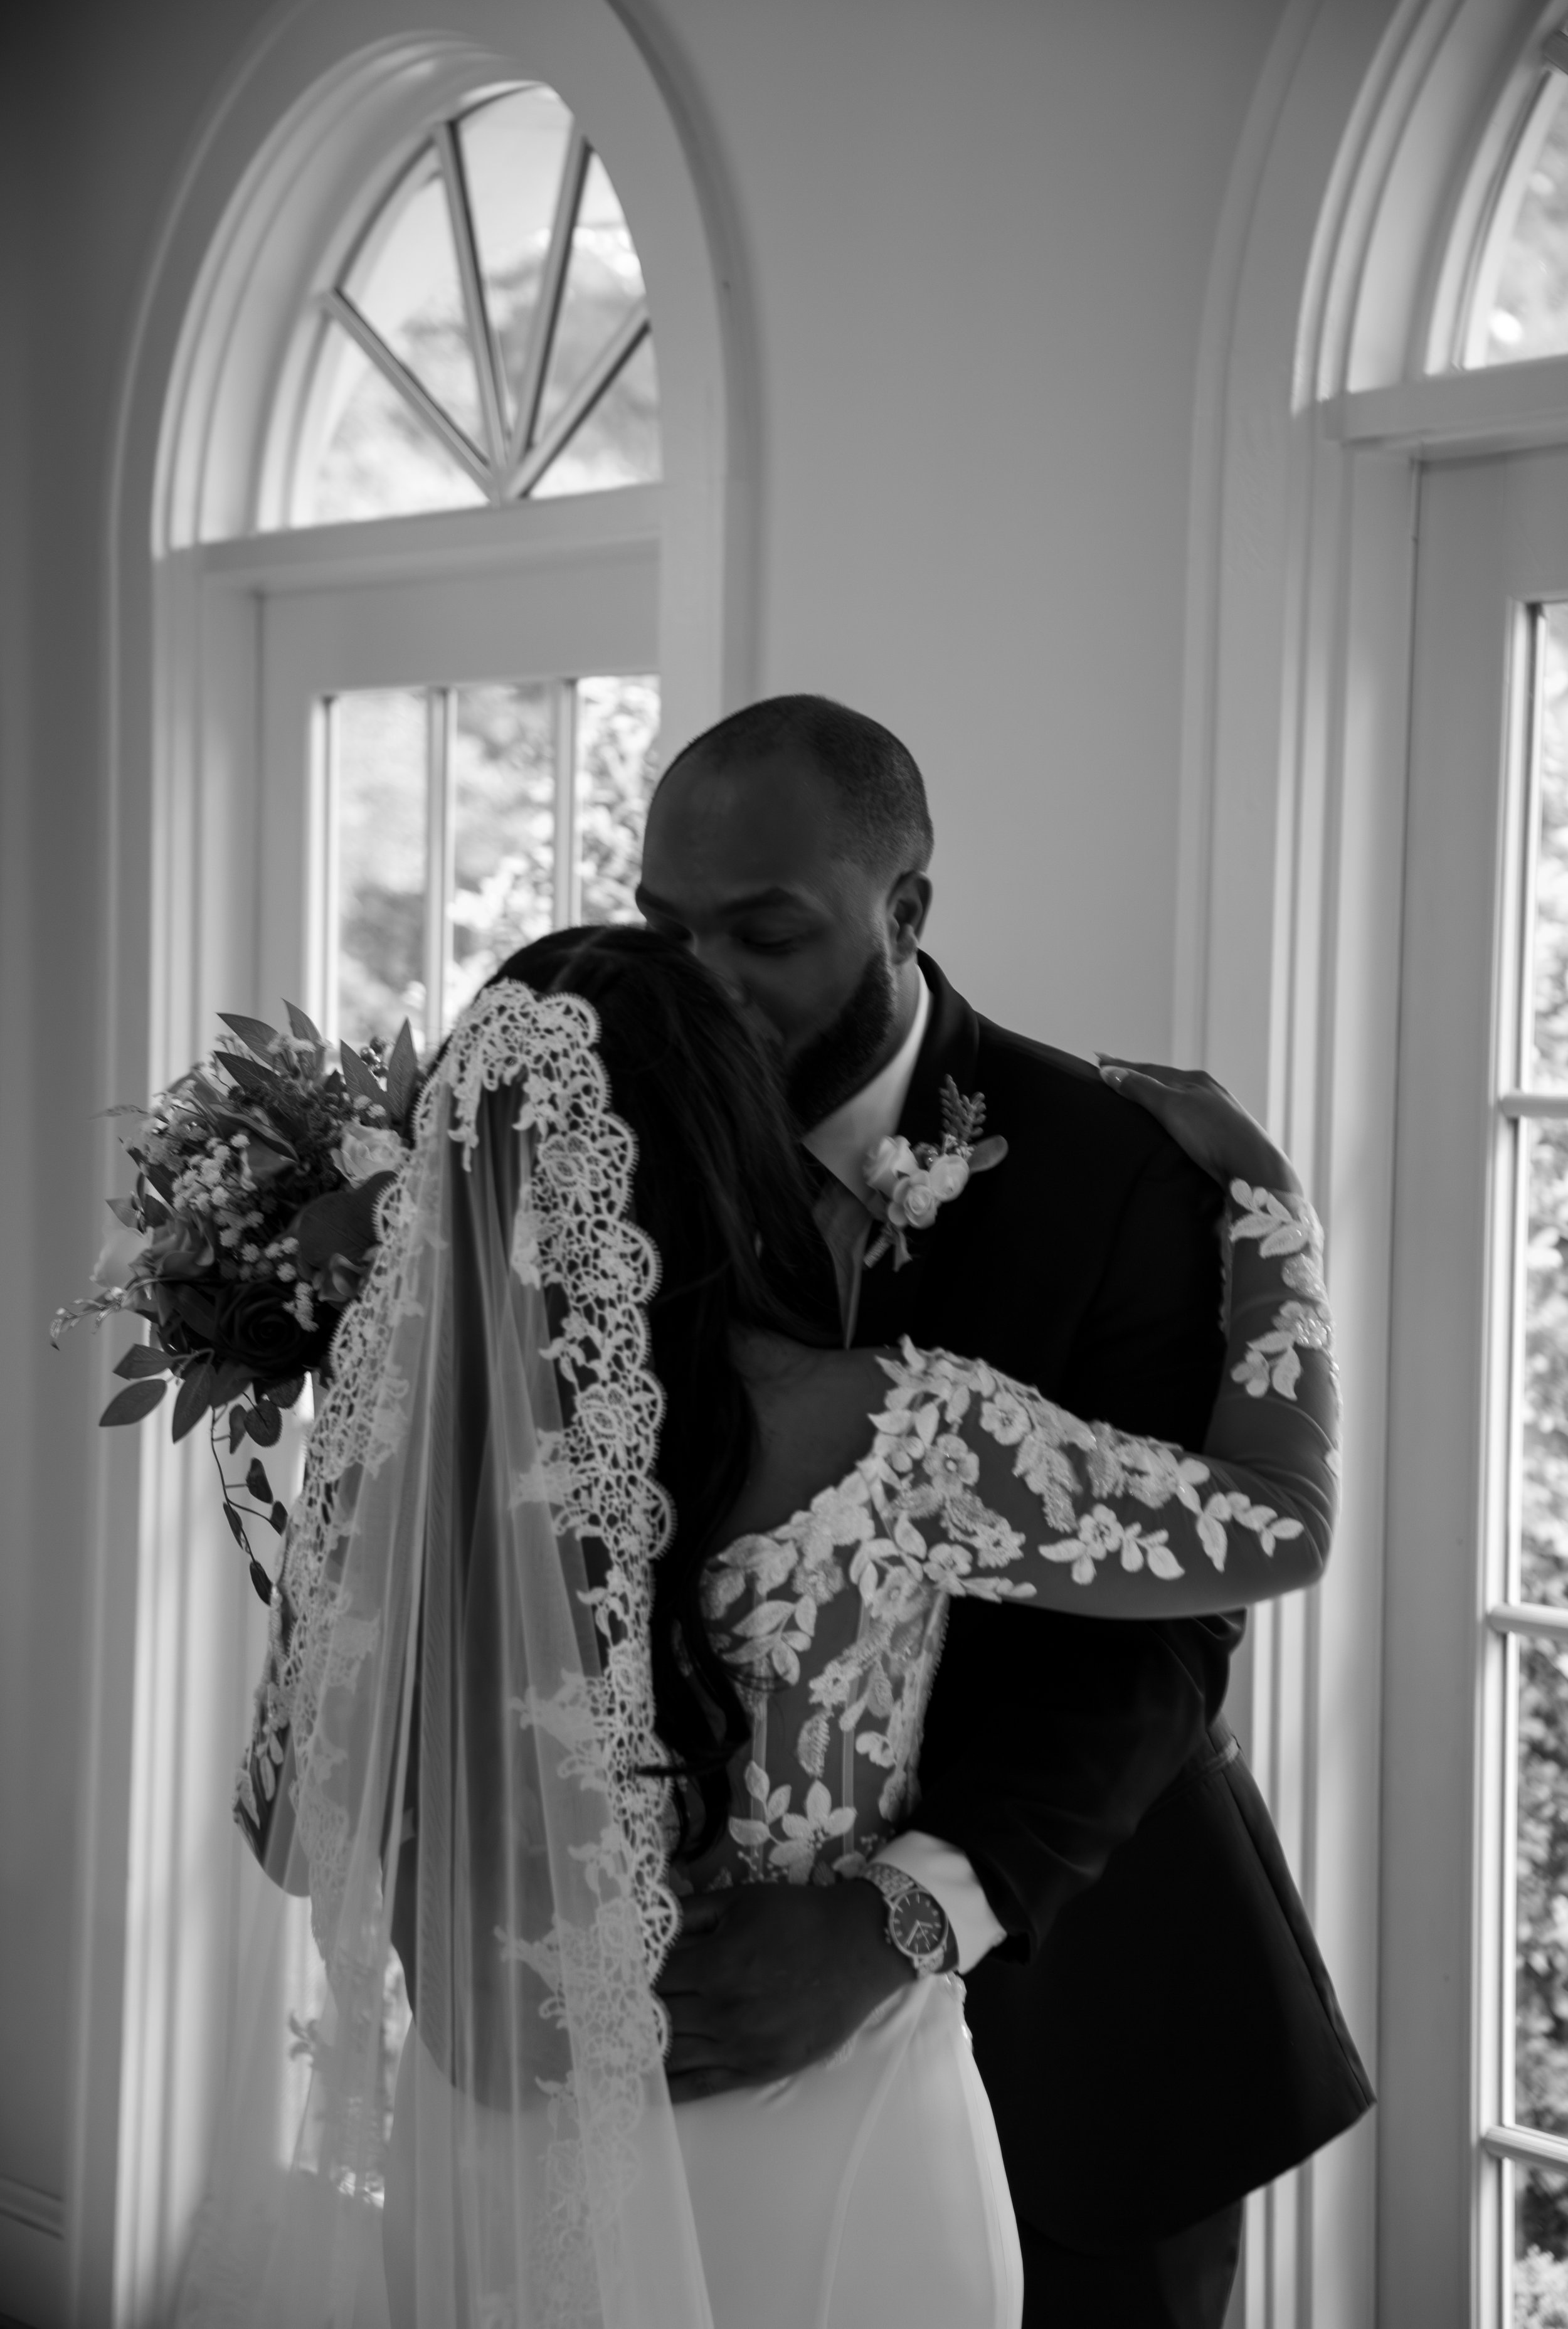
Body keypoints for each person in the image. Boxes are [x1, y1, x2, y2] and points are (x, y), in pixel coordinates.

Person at [191, 920, 1359, 2329]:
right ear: (727, 1145)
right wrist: (1270, 1205)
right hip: (820, 2146)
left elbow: (292, 1837)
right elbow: (1279, 1523)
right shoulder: (893, 1428)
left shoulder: (385, 1462)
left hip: (488, 2157)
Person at [631, 696, 1372, 2327]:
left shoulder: (1107, 1172)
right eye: (661, 929)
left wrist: (908, 1909)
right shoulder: (590, 1141)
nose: (703, 983)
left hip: (1079, 2001)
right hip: (671, 2017)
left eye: (762, 931)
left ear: (905, 911)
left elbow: (1167, 1630)